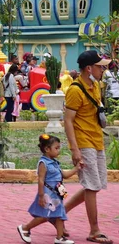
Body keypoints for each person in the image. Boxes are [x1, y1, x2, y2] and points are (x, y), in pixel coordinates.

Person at [62, 50, 113, 244]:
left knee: (94, 186)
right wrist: (75, 149)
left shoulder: (95, 86)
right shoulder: (75, 90)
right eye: (100, 66)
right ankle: (94, 230)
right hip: (83, 142)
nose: (103, 69)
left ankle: (60, 213)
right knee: (91, 186)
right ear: (89, 68)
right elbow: (68, 121)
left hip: (96, 140)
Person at [17, 134, 81, 244]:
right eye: (56, 148)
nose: (59, 151)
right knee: (44, 216)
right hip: (48, 194)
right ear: (47, 149)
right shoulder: (43, 163)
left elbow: (64, 175)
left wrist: (76, 168)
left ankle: (59, 237)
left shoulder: (55, 163)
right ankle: (25, 228)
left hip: (56, 194)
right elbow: (41, 180)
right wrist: (41, 196)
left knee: (60, 215)